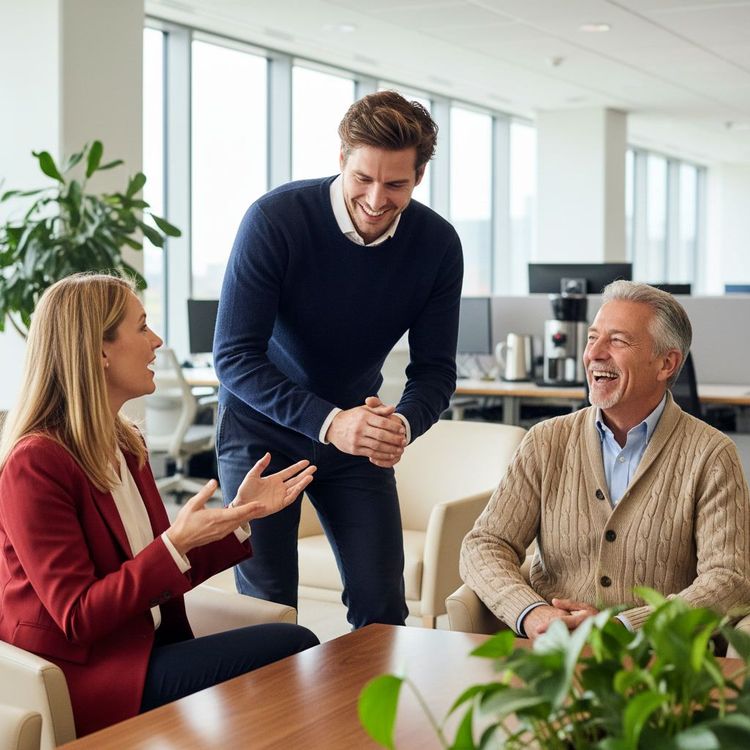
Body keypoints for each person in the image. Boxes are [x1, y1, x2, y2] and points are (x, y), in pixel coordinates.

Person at [0, 274, 320, 737]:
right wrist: (174, 542)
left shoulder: (126, 445)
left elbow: (158, 572)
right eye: (142, 326)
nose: (157, 341)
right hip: (88, 672)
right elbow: (77, 615)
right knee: (296, 644)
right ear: (100, 351)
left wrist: (239, 518)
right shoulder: (36, 463)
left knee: (292, 648)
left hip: (142, 646)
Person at [214, 90, 463, 628]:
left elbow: (436, 370)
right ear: (341, 162)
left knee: (383, 608)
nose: (376, 199)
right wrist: (330, 423)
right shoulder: (275, 219)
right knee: (267, 610)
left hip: (358, 436)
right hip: (262, 432)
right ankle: (274, 716)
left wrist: (400, 424)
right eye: (362, 179)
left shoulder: (438, 245)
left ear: (418, 177)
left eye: (395, 184)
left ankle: (370, 717)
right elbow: (233, 356)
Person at [461, 280, 750, 640]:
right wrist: (532, 612)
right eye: (592, 338)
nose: (594, 354)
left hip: (658, 660)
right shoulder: (546, 441)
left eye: (617, 341)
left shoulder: (711, 455)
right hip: (551, 655)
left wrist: (624, 626)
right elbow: (485, 543)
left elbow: (729, 580)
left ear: (666, 363)